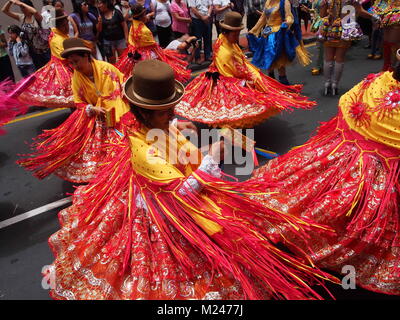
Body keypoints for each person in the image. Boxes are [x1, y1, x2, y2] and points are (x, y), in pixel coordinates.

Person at [43, 59, 337, 300]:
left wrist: (190, 137)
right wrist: (214, 156)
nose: (173, 114)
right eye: (166, 111)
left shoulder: (151, 126)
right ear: (146, 112)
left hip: (167, 184)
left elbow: (178, 153)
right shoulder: (142, 149)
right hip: (165, 208)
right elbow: (181, 191)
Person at [251, 51, 400, 295]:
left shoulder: (373, 83)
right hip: (374, 180)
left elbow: (346, 112)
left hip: (348, 165)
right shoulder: (375, 84)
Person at [18, 37, 136, 183]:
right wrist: (91, 108)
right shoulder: (76, 78)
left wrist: (123, 92)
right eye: (71, 63)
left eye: (76, 61)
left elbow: (124, 82)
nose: (74, 65)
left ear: (86, 56)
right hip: (99, 116)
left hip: (119, 112)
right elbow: (79, 102)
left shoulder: (107, 68)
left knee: (128, 145)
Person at [175, 12, 315, 128]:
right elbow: (230, 73)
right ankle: (229, 136)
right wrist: (248, 80)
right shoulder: (225, 51)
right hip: (225, 79)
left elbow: (239, 61)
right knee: (227, 109)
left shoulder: (224, 39)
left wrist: (252, 75)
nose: (237, 37)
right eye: (235, 34)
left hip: (228, 74)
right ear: (227, 32)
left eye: (238, 34)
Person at [6, 9, 75, 108]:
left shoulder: (60, 34)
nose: (66, 27)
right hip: (63, 69)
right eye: (64, 25)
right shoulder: (57, 39)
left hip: (66, 66)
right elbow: (65, 57)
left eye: (66, 24)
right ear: (58, 26)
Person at [116, 4, 191, 82]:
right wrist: (163, 55)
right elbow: (153, 45)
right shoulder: (145, 30)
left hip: (135, 54)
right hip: (147, 56)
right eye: (145, 14)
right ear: (142, 16)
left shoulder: (133, 25)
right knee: (161, 73)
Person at [317, 0, 375, 95]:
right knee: (339, 58)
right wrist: (374, 17)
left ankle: (327, 83)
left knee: (328, 58)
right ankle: (335, 84)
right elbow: (360, 11)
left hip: (329, 30)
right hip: (345, 30)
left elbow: (322, 15)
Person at [247, 0, 311, 85]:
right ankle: (271, 80)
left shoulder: (284, 2)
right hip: (267, 34)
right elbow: (263, 19)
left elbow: (289, 17)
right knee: (268, 58)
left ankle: (283, 82)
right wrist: (253, 31)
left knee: (280, 60)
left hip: (279, 35)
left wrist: (287, 23)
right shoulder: (268, 2)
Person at [2, 0, 51, 69]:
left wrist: (21, 3)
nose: (22, 9)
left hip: (44, 50)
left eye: (23, 7)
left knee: (51, 70)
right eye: (21, 8)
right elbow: (4, 10)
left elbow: (35, 11)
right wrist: (10, 1)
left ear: (29, 7)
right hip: (32, 52)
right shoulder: (22, 17)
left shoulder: (36, 16)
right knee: (41, 73)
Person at [374, 0, 400, 71]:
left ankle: (392, 68)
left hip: (397, 13)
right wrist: (377, 17)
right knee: (386, 42)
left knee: (393, 42)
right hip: (386, 8)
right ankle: (387, 67)